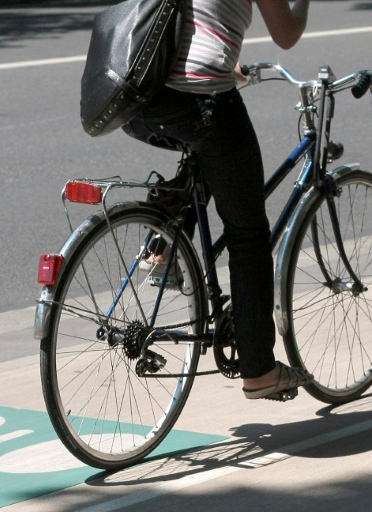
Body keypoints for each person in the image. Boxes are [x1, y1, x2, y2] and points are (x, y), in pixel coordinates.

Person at [123, 0, 313, 401]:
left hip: (141, 98)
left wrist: (229, 68)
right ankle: (259, 369)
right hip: (202, 99)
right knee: (248, 234)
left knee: (209, 158)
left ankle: (165, 244)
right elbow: (287, 34)